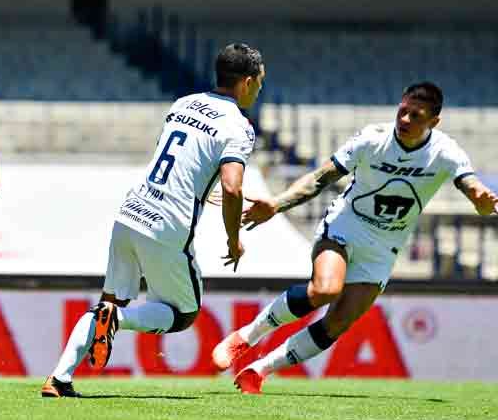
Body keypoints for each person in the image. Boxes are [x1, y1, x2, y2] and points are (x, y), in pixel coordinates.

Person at [214, 82, 498, 393]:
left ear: (434, 122)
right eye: (402, 111)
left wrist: (479, 200)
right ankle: (244, 337)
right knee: (325, 290)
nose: (404, 120)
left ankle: (259, 370)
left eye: (415, 116)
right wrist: (278, 204)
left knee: (338, 323)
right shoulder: (372, 139)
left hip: (385, 247)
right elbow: (321, 178)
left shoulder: (445, 152)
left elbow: (470, 185)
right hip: (345, 225)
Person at [41, 43, 265, 397]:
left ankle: (58, 378)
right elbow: (232, 188)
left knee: (110, 298)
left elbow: (182, 164)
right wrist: (233, 238)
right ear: (249, 82)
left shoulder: (183, 104)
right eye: (260, 82)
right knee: (183, 314)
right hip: (168, 225)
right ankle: (117, 321)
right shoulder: (239, 126)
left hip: (131, 212)